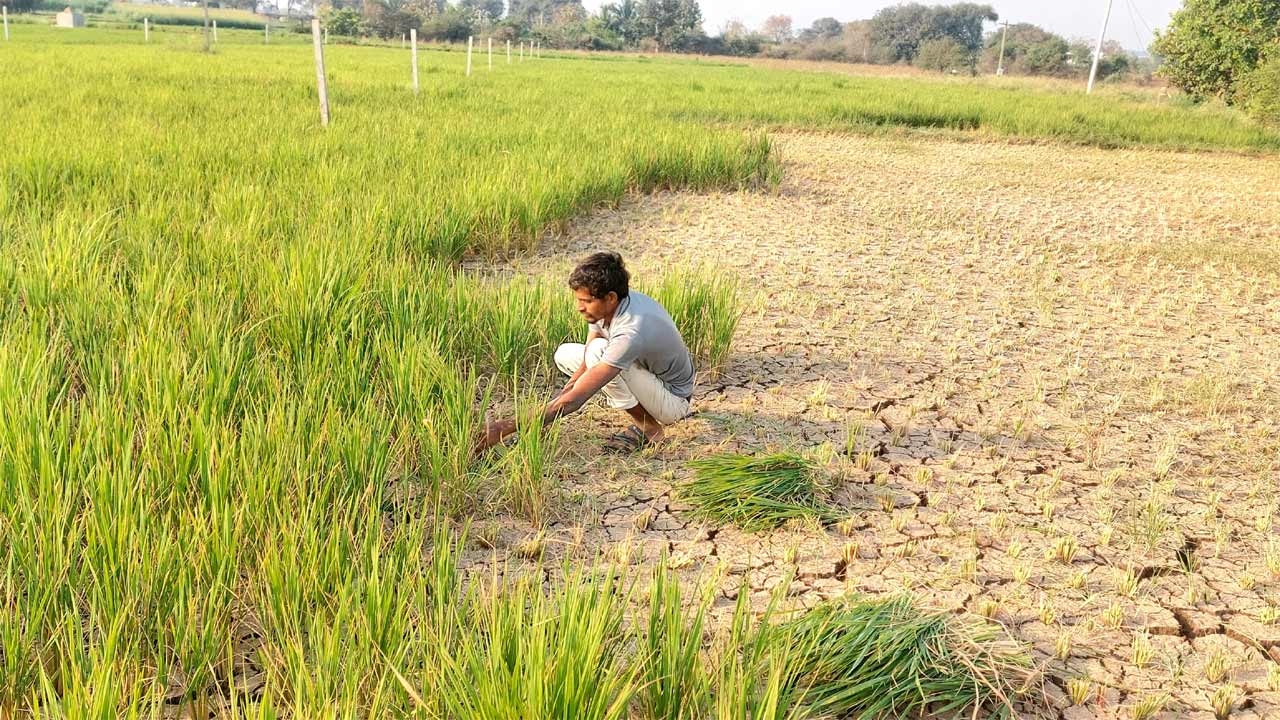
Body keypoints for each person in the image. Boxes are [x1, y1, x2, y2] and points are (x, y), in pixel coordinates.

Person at [476, 251, 695, 453]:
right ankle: (626, 405)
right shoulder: (609, 307)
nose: (579, 307)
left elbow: (575, 401)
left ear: (610, 297)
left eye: (586, 301)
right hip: (646, 377)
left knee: (599, 353)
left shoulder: (630, 330)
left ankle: (649, 428)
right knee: (566, 353)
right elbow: (586, 361)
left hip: (672, 401)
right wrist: (551, 411)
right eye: (578, 300)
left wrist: (503, 428)